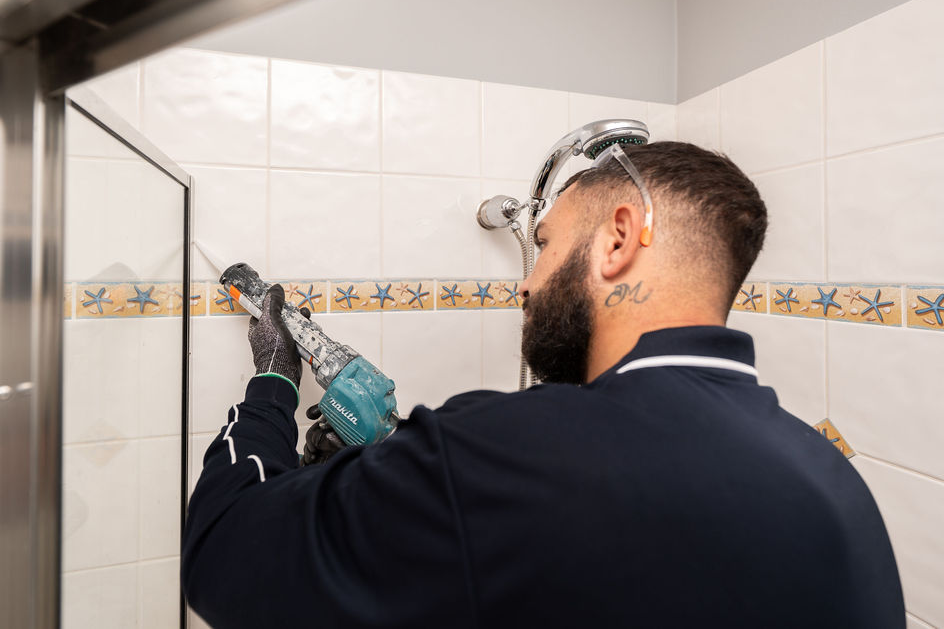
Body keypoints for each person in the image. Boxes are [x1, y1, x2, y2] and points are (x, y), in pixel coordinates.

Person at [182, 141, 904, 628]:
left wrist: (274, 381)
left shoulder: (503, 456)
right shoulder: (835, 485)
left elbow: (220, 552)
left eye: (548, 243)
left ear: (619, 238)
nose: (525, 283)